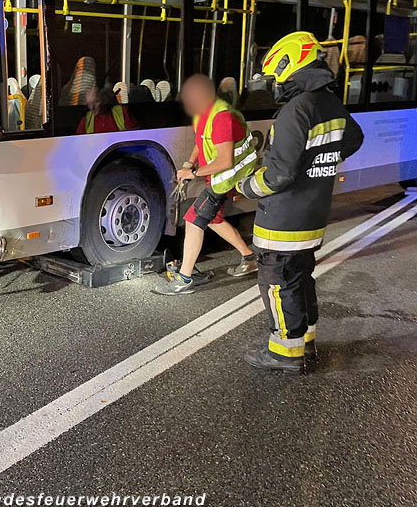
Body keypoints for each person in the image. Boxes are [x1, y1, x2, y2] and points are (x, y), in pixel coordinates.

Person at [236, 31, 364, 372]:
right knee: (300, 279)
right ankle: (305, 341)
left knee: (278, 283)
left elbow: (277, 176)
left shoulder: (295, 110)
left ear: (290, 65)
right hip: (313, 215)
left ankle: (284, 354)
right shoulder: (328, 103)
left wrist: (247, 187)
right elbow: (353, 139)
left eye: (277, 74)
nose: (276, 82)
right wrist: (320, 163)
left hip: (284, 219)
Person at [155, 74, 258, 296]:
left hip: (230, 174)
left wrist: (193, 173)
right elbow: (200, 142)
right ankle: (250, 259)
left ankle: (184, 278)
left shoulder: (222, 118)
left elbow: (225, 161)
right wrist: (188, 163)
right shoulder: (202, 114)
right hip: (219, 174)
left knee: (194, 218)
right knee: (212, 219)